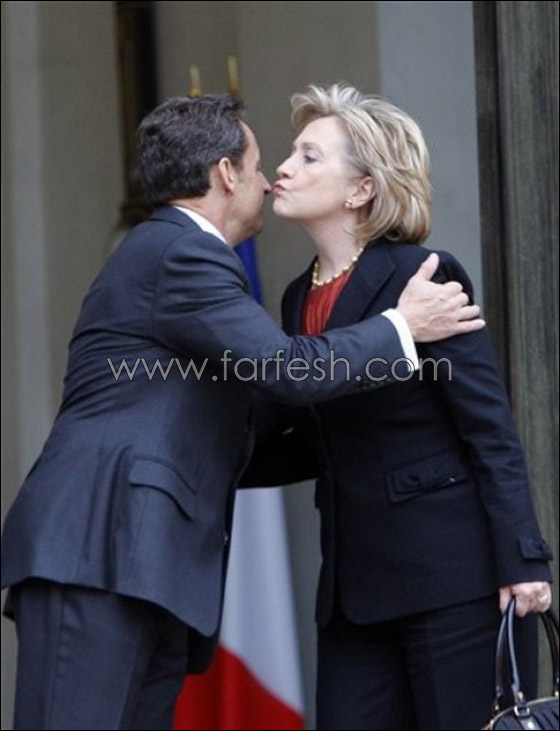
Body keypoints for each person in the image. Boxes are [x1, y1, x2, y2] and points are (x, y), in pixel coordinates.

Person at [0, 95, 483, 731]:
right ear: (226, 174)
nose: (269, 177)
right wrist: (402, 326)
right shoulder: (180, 252)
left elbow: (256, 421)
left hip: (139, 563)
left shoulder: (180, 258)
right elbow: (288, 371)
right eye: (257, 166)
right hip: (100, 553)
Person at [244, 85, 553, 730]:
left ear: (361, 189)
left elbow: (488, 429)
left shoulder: (425, 276)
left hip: (453, 581)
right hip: (353, 592)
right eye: (292, 154)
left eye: (308, 156)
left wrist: (523, 559)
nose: (283, 168)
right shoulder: (299, 296)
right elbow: (320, 436)